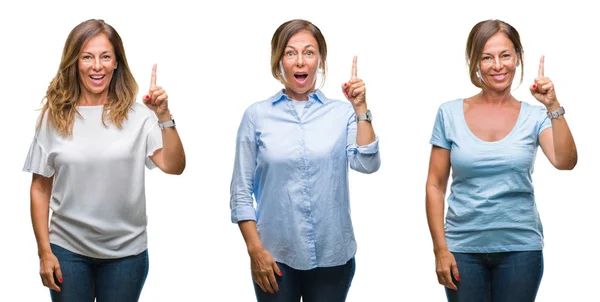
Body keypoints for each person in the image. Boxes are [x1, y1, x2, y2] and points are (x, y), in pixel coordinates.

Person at [23, 19, 185, 302]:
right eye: (87, 57)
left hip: (126, 255)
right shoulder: (54, 118)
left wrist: (163, 116)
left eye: (105, 57)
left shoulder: (139, 116)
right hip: (67, 251)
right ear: (75, 63)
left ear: (116, 64)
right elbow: (40, 188)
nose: (96, 65)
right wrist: (44, 252)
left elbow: (174, 166)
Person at [425, 19, 577, 302]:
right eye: (487, 57)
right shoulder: (449, 113)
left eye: (505, 55)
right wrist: (440, 249)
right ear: (474, 62)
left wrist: (553, 106)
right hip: (463, 249)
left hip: (521, 249)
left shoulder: (535, 115)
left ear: (518, 57)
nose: (498, 66)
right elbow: (435, 185)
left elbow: (565, 161)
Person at [230, 19, 380, 302]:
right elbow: (240, 191)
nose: (300, 62)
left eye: (309, 52)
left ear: (319, 60)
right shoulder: (256, 116)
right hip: (274, 257)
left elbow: (367, 164)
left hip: (332, 256)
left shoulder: (342, 113)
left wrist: (360, 109)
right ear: (279, 61)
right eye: (290, 53)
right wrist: (255, 251)